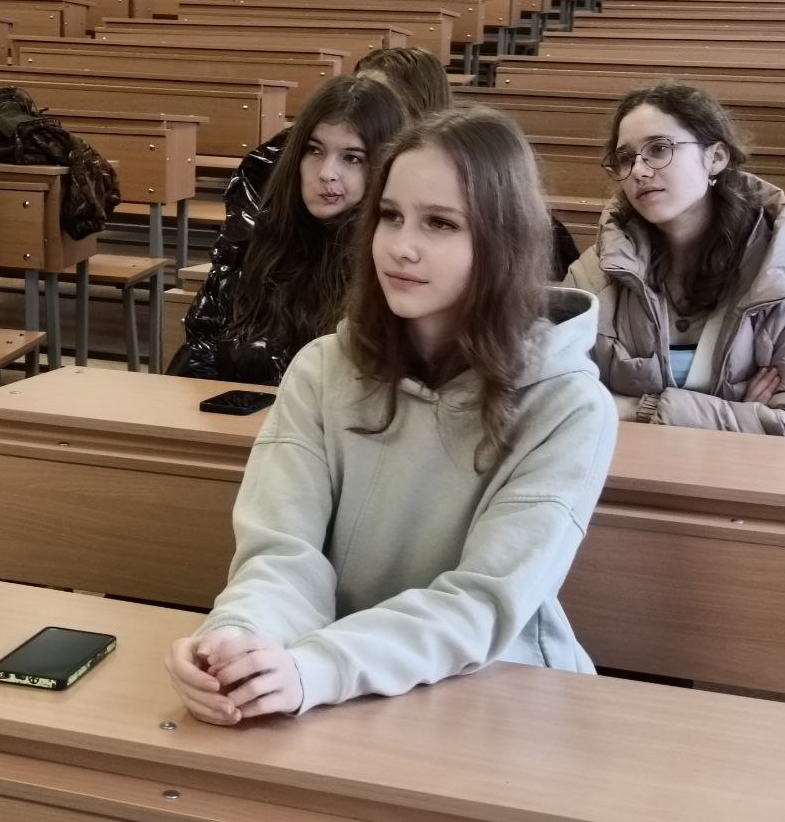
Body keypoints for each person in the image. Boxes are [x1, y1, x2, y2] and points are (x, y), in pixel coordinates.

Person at [165, 107, 617, 723]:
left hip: (492, 693)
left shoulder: (567, 405)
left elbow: (482, 602)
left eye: (440, 223)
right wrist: (240, 639)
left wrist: (317, 667)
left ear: (501, 241)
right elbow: (281, 554)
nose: (401, 247)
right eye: (389, 215)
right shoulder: (322, 369)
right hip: (328, 682)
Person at [564, 83, 785, 437]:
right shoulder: (593, 275)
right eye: (626, 158)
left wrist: (636, 407)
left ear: (716, 157)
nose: (638, 170)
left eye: (659, 148)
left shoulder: (784, 277)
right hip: (623, 468)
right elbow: (557, 401)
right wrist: (741, 413)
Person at [166, 75, 406, 382]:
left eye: (352, 158)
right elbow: (204, 347)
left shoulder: (391, 260)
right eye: (314, 151)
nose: (327, 173)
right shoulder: (260, 235)